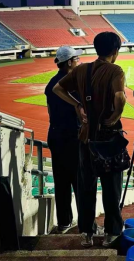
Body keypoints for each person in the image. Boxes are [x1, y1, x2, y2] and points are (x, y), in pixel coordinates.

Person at [53, 32, 126, 248]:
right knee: (111, 187)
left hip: (86, 138)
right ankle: (112, 232)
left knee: (86, 187)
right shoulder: (115, 70)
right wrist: (115, 117)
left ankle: (86, 233)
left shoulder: (81, 69)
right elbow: (120, 97)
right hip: (108, 139)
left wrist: (77, 104)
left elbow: (58, 88)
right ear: (115, 51)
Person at [45, 46, 83, 233]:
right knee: (80, 182)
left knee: (61, 182)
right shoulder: (73, 85)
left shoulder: (51, 84)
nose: (78, 62)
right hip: (72, 138)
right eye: (76, 59)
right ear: (69, 62)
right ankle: (86, 225)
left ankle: (64, 223)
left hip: (55, 135)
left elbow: (50, 112)